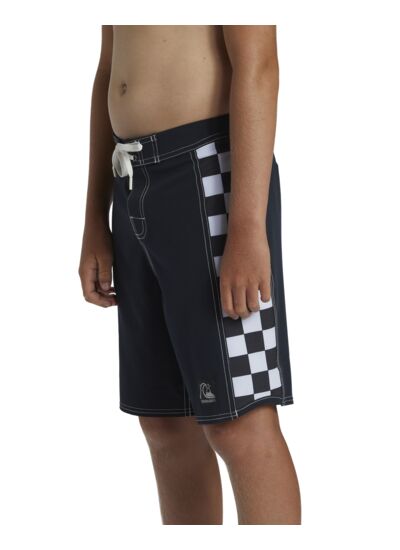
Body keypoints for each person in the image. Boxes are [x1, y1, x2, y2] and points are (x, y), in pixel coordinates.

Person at [79, 25, 301, 525]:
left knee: (238, 424)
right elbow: (108, 68)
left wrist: (247, 226)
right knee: (165, 423)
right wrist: (95, 217)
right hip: (132, 177)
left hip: (211, 175)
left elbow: (258, 64)